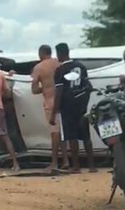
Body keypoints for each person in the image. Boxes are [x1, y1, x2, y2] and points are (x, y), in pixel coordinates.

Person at [50, 43, 97, 173]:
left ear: (60, 53)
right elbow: (88, 86)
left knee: (72, 136)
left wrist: (53, 113)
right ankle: (92, 166)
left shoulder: (60, 70)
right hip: (81, 105)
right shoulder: (81, 66)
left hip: (67, 106)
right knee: (86, 135)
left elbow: (59, 93)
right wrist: (84, 102)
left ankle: (76, 166)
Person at [31, 45, 69, 171]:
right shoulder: (59, 64)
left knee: (55, 133)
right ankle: (66, 159)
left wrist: (45, 88)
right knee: (62, 131)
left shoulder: (39, 67)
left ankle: (54, 162)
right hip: (63, 100)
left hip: (50, 102)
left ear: (40, 54)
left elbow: (34, 89)